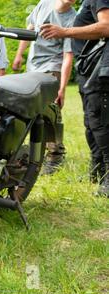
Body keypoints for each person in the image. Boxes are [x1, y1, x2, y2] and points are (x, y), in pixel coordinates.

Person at [40, 0, 109, 197]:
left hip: (100, 68)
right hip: (89, 68)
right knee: (91, 123)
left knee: (101, 123)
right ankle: (98, 172)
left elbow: (106, 26)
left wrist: (64, 32)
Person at [13, 0, 77, 175]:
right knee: (26, 109)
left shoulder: (73, 19)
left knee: (51, 110)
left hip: (53, 67)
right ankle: (26, 151)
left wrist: (62, 88)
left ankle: (55, 155)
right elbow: (30, 28)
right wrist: (19, 55)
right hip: (33, 66)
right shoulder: (44, 3)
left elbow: (68, 56)